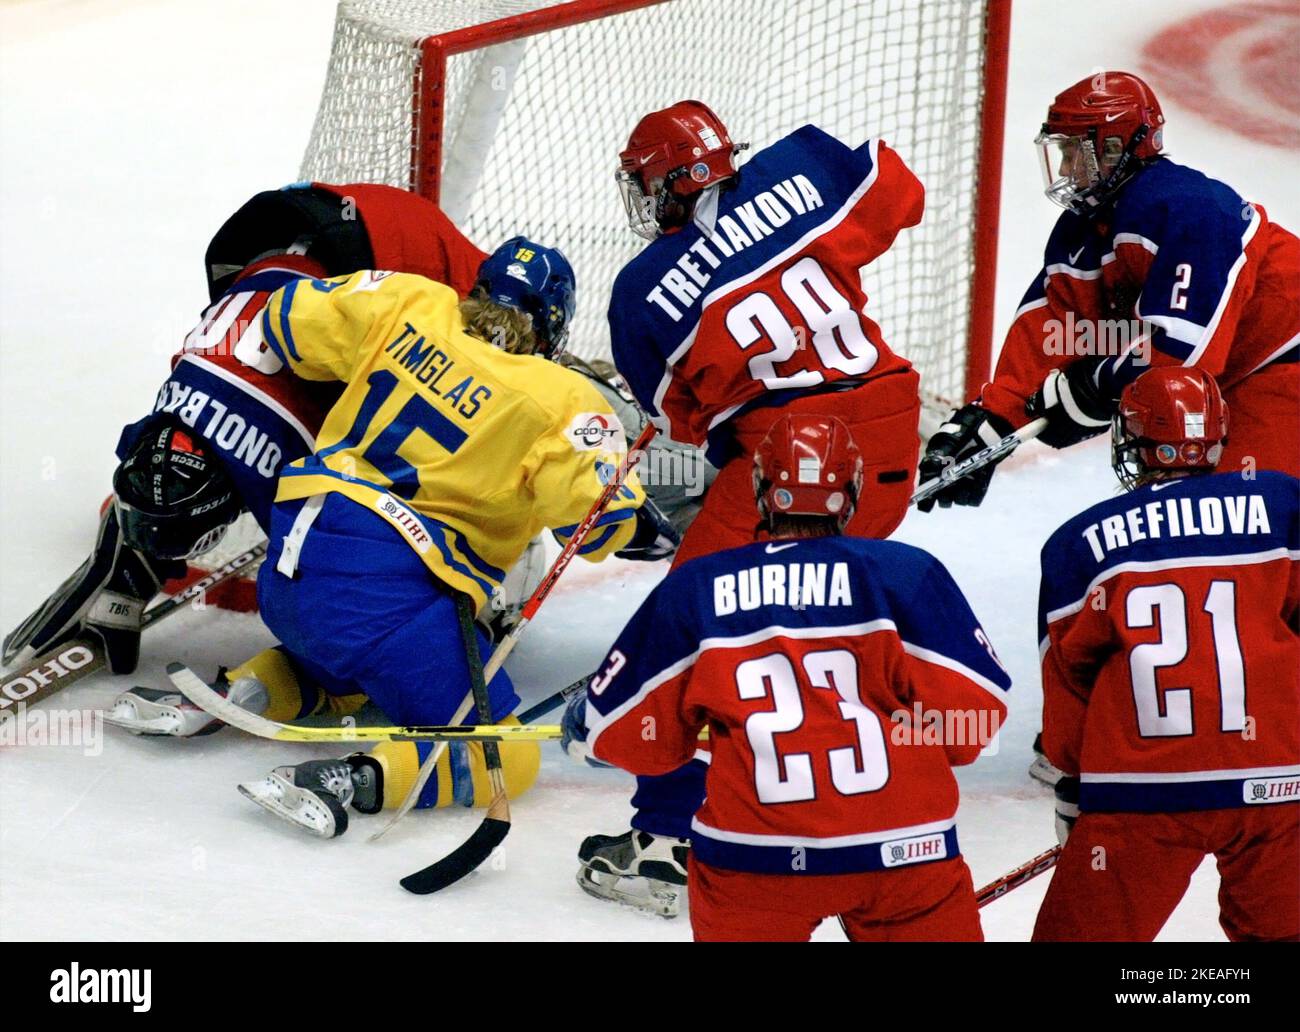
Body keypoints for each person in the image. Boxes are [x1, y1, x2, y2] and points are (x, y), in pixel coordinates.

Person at [582, 99, 930, 895]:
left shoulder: (643, 288)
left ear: (668, 183)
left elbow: (682, 419)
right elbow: (900, 193)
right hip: (888, 425)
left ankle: (671, 840)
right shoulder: (801, 164)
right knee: (826, 616)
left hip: (784, 460)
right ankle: (840, 791)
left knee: (703, 629)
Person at [915, 70, 1300, 785]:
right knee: (1186, 540)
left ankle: (1252, 721)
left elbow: (1182, 354)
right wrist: (987, 420)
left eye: (1079, 153)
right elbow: (1051, 329)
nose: (1065, 170)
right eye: (1060, 152)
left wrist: (1087, 391)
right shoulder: (1085, 228)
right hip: (1222, 386)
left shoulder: (1187, 207)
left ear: (1126, 146)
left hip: (1281, 372)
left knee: (1248, 539)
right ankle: (1155, 713)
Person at [229, 239, 677, 837]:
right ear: (552, 329)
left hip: (288, 569)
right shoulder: (562, 397)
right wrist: (637, 516)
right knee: (507, 758)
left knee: (347, 666)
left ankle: (249, 688)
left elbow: (285, 322)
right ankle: (345, 780)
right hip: (386, 603)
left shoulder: (408, 300)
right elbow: (594, 527)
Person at [3, 182, 486, 686]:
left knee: (457, 403)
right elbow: (152, 463)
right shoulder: (184, 409)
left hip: (403, 249)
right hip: (294, 236)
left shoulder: (287, 465)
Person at [562, 413, 1009, 932]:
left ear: (759, 488)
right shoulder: (907, 572)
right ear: (855, 488)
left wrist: (588, 730)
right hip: (907, 856)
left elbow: (634, 739)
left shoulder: (697, 586)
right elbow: (975, 720)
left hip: (756, 863)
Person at [1032, 367, 1299, 942]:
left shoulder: (1079, 542)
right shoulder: (1284, 504)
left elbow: (1069, 684)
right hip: (1277, 791)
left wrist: (1079, 786)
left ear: (1132, 437)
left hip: (1142, 796)